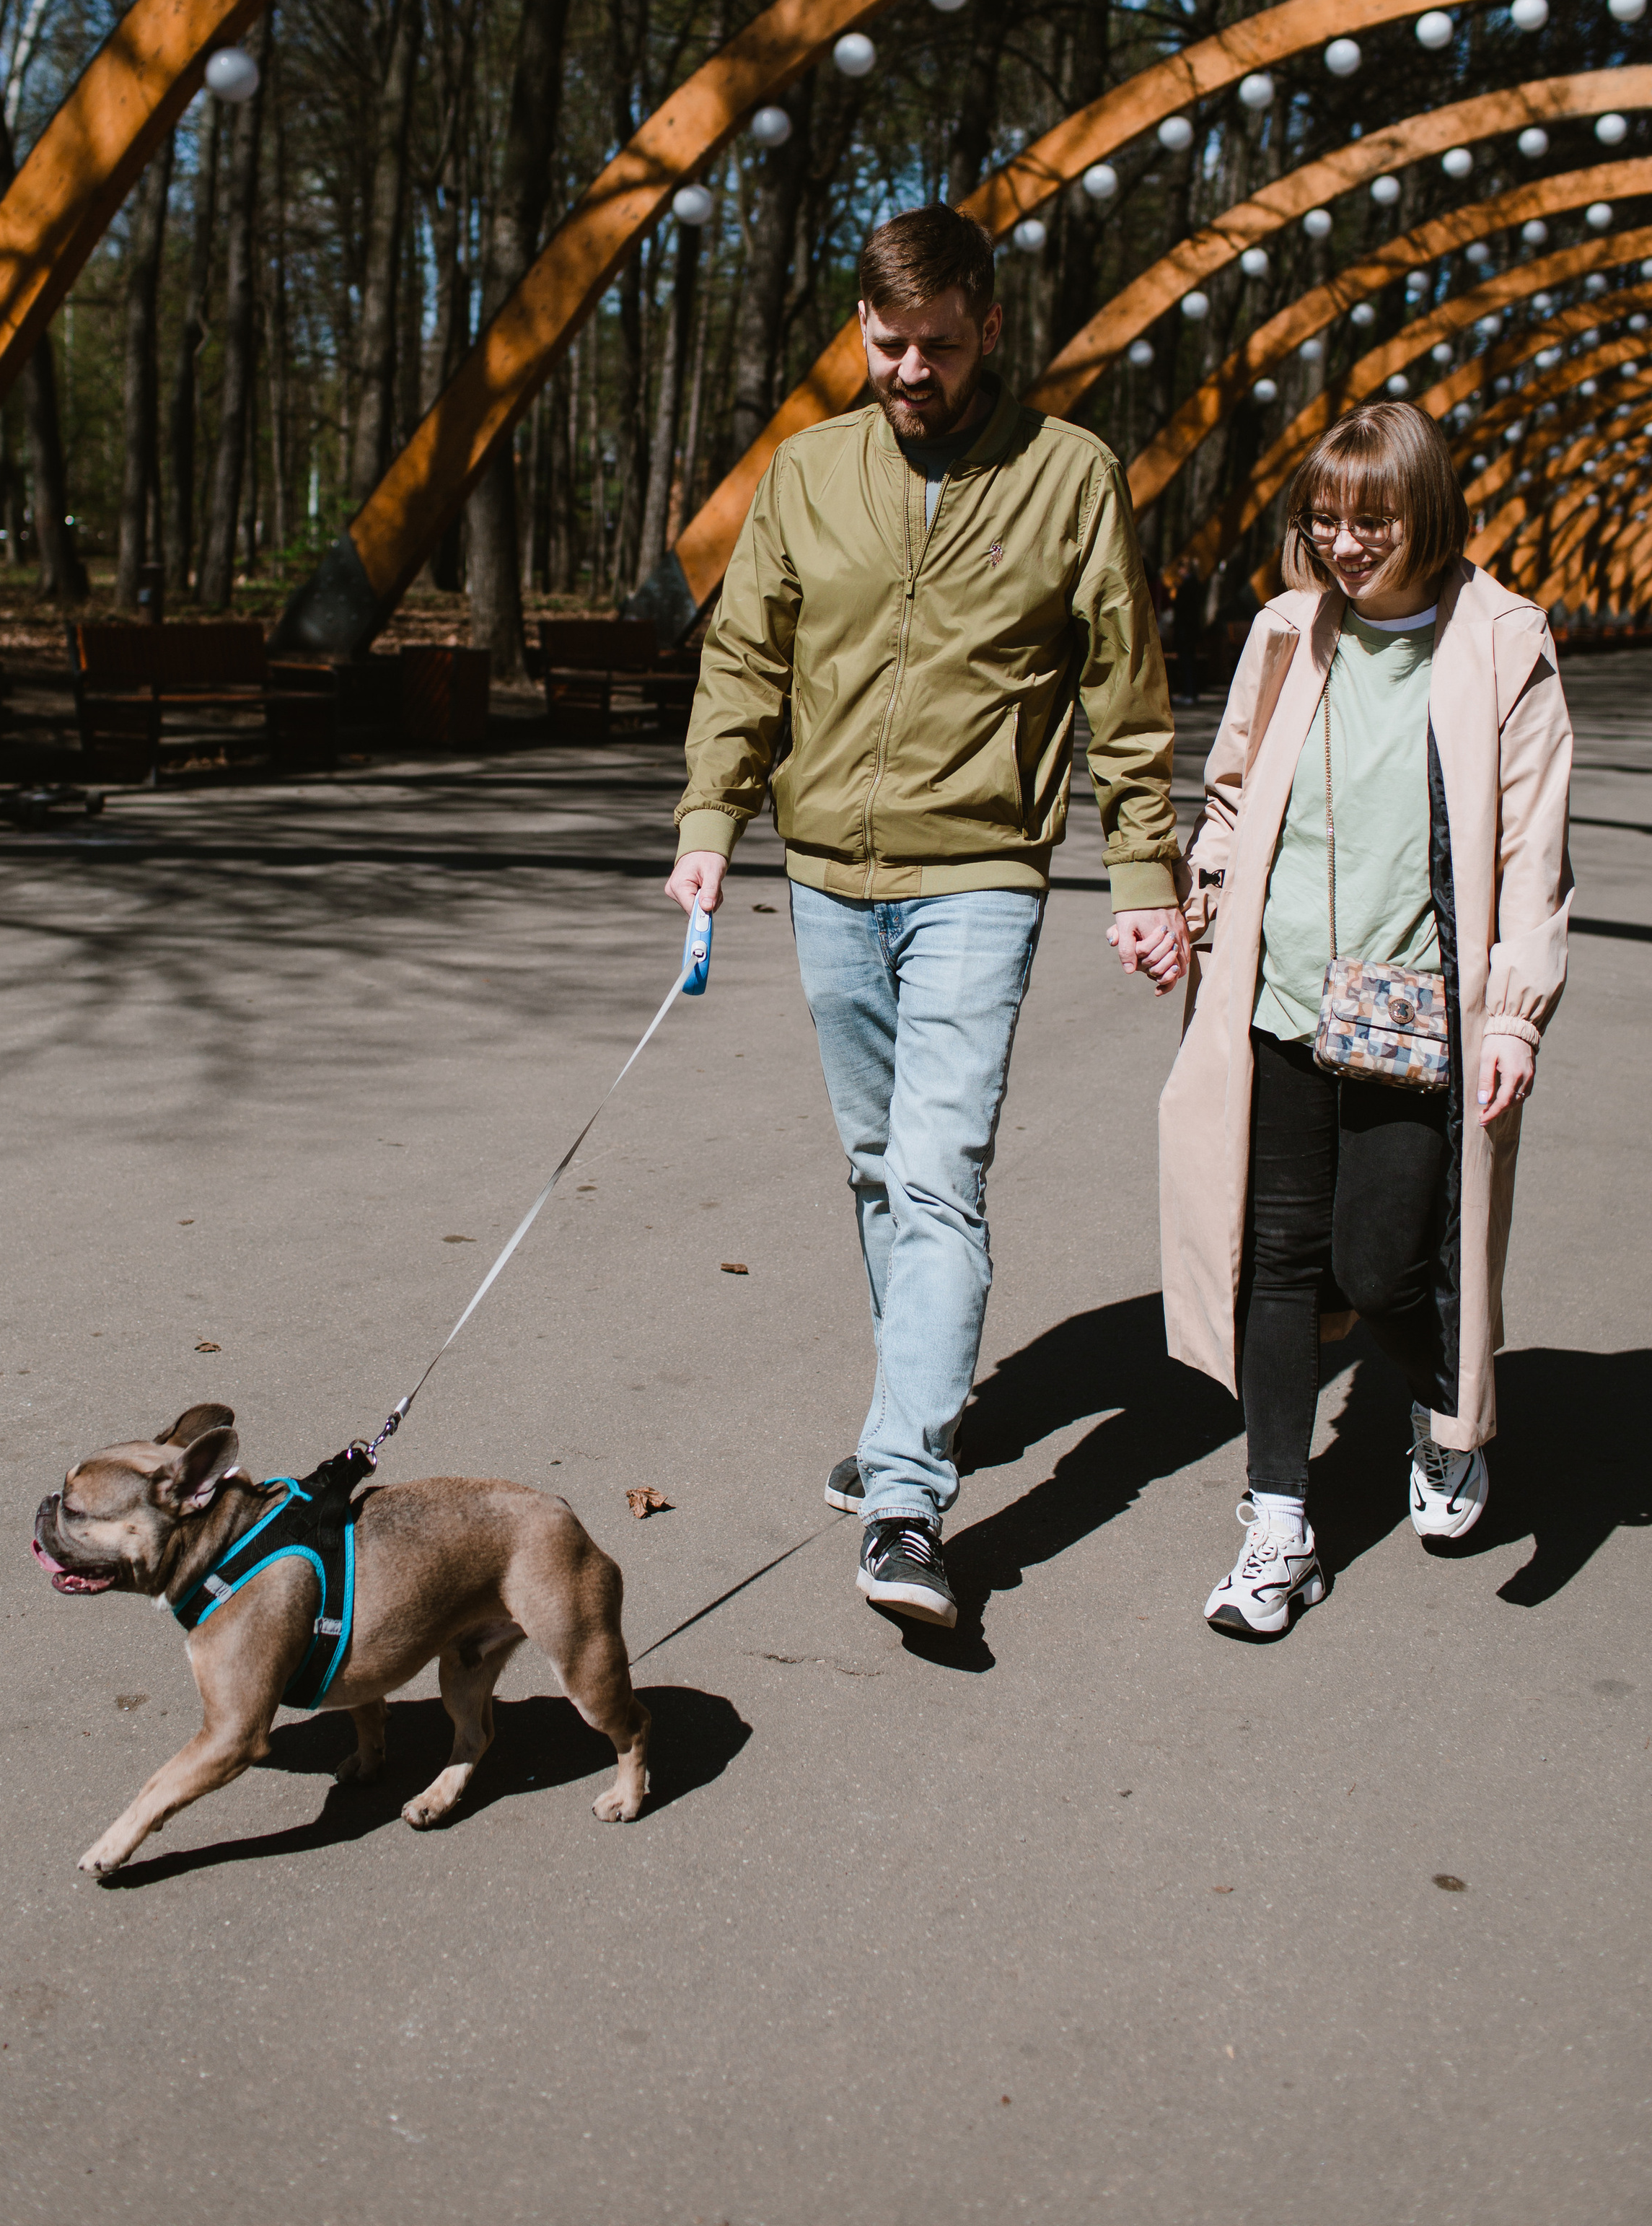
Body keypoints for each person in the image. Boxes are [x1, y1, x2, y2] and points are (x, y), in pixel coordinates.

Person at [666, 205, 1189, 1630]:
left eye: (941, 347)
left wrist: (1144, 878)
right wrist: (710, 826)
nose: (912, 371)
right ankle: (919, 1405)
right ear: (860, 329)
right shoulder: (807, 472)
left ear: (990, 328)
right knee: (875, 1171)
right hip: (826, 877)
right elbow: (744, 663)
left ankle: (904, 1496)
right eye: (890, 344)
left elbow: (1122, 694)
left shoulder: (1068, 474)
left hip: (978, 876)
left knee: (938, 1171)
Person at [1158, 403, 1573, 1639]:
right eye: (1325, 520)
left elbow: (1532, 845)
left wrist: (1514, 1016)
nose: (1343, 545)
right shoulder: (1289, 631)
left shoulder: (1502, 641)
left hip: (1415, 1014)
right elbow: (1232, 793)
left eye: (1372, 521)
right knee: (1277, 1262)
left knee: (1382, 1264)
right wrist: (1199, 899)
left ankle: (1446, 1408)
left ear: (1427, 513)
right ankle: (1279, 1521)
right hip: (1279, 998)